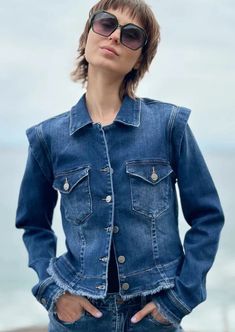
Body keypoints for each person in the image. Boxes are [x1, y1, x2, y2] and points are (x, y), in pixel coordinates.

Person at [15, 0, 224, 331]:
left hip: (154, 315)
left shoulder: (170, 125)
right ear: (86, 36)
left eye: (131, 35)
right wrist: (54, 293)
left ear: (139, 58)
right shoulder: (48, 137)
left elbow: (208, 218)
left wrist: (180, 298)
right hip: (79, 319)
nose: (114, 37)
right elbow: (34, 225)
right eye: (105, 24)